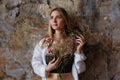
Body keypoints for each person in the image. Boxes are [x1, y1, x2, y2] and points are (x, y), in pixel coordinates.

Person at [31, 7, 86, 80]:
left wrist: (78, 51)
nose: (54, 20)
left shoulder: (74, 42)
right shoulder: (44, 42)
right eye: (52, 17)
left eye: (58, 17)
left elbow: (80, 69)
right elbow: (35, 63)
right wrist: (47, 68)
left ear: (65, 21)